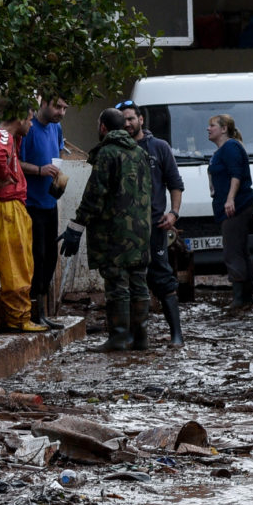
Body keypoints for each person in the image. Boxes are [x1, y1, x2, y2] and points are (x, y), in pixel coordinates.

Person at [74, 106, 153, 352]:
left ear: (103, 127)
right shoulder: (139, 152)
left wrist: (77, 223)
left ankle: (119, 338)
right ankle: (140, 338)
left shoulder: (107, 153)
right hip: (141, 231)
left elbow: (95, 194)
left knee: (117, 285)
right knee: (139, 283)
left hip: (115, 232)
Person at [121, 100, 187, 347]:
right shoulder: (118, 149)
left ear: (141, 119)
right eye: (123, 120)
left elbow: (175, 184)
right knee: (128, 281)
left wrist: (174, 214)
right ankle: (133, 336)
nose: (127, 124)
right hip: (126, 230)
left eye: (131, 118)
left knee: (163, 278)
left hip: (154, 226)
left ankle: (176, 335)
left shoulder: (158, 147)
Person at [0, 107, 47, 335]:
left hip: (9, 205)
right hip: (8, 205)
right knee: (17, 263)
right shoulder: (3, 135)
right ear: (19, 119)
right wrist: (5, 177)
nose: (31, 125)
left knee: (19, 261)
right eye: (29, 120)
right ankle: (18, 319)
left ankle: (17, 317)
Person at [18, 95, 69, 325]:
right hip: (31, 203)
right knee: (35, 257)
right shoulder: (28, 127)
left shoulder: (56, 129)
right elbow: (15, 162)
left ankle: (43, 311)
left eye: (65, 108)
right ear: (44, 103)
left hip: (50, 202)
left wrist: (58, 178)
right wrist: (39, 170)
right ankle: (32, 312)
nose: (61, 112)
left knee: (50, 256)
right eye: (57, 106)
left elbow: (58, 156)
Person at [207, 113, 253, 312]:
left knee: (233, 251)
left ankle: (240, 299)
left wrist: (230, 199)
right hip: (230, 205)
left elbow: (236, 175)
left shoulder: (231, 147)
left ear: (224, 128)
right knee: (240, 250)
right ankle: (244, 298)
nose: (208, 129)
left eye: (212, 126)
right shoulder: (222, 150)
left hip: (236, 205)